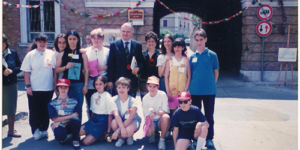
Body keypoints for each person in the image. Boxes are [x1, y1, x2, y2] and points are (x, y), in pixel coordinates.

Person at [20, 33, 54, 140]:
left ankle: (44, 129)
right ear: (36, 42)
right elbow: (26, 72)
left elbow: (54, 70)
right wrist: (28, 86)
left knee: (45, 110)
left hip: (48, 88)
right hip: (34, 88)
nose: (42, 44)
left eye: (44, 41)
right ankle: (35, 130)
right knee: (35, 110)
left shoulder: (51, 54)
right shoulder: (30, 55)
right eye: (40, 41)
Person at [189, 29, 219, 148]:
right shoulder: (192, 57)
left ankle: (209, 138)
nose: (199, 42)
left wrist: (212, 83)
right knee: (195, 116)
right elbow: (190, 73)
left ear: (205, 39)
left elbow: (216, 72)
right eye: (197, 40)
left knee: (209, 116)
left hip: (209, 91)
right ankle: (195, 138)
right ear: (195, 41)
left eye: (201, 39)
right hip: (195, 90)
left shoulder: (212, 55)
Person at [55, 30, 89, 121]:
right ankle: (67, 131)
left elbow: (86, 70)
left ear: (78, 40)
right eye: (70, 39)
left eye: (74, 39)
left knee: (78, 108)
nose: (72, 41)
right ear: (67, 40)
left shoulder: (82, 54)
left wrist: (85, 85)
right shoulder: (62, 53)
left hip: (79, 84)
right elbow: (56, 69)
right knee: (66, 107)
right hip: (66, 85)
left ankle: (76, 131)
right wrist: (65, 67)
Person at [107, 22, 143, 98]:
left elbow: (141, 62)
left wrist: (138, 69)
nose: (125, 33)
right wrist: (110, 80)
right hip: (118, 81)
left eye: (128, 31)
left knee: (130, 104)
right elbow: (111, 64)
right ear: (120, 31)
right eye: (123, 31)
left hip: (132, 82)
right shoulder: (114, 45)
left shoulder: (137, 45)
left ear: (132, 32)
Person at [79, 76, 117, 145]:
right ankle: (93, 133)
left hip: (103, 121)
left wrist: (108, 131)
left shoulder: (108, 96)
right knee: (79, 132)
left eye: (100, 84)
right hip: (94, 119)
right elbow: (92, 112)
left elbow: (110, 115)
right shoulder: (93, 95)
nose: (98, 86)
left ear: (105, 84)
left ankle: (102, 133)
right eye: (96, 84)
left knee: (85, 142)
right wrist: (90, 122)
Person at [48, 79, 81, 149]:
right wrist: (71, 116)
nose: (63, 89)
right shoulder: (52, 103)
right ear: (58, 89)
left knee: (76, 120)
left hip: (70, 124)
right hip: (60, 126)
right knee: (60, 135)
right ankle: (65, 137)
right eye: (61, 87)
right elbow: (54, 118)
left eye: (65, 87)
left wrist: (59, 121)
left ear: (68, 88)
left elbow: (76, 116)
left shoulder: (75, 101)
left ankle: (75, 138)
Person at [84, 28, 110, 118]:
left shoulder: (107, 51)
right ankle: (91, 122)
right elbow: (82, 66)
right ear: (91, 39)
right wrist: (86, 68)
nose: (96, 40)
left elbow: (112, 65)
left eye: (98, 38)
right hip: (91, 81)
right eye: (94, 38)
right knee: (91, 103)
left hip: (103, 79)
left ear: (102, 39)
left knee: (103, 103)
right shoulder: (85, 51)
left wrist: (105, 67)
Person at [110, 77, 141, 147]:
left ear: (128, 89)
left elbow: (130, 118)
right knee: (114, 123)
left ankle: (129, 135)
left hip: (132, 121)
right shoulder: (113, 100)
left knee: (128, 131)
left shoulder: (133, 101)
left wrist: (118, 131)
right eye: (119, 87)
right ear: (116, 89)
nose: (121, 89)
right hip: (120, 121)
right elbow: (116, 115)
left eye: (123, 87)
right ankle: (121, 139)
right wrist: (122, 127)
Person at [165, 38, 191, 117]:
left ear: (183, 48)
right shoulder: (170, 61)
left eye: (179, 46)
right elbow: (166, 77)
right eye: (175, 47)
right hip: (172, 91)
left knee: (183, 112)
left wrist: (186, 90)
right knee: (173, 113)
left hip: (183, 92)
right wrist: (168, 91)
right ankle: (174, 129)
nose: (177, 49)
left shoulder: (186, 61)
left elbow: (189, 77)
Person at [2, 34, 22, 137]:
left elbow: (20, 67)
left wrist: (12, 71)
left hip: (11, 84)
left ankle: (11, 130)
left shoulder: (12, 53)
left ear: (6, 43)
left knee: (11, 107)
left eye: (2, 42)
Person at [142, 76, 170, 150]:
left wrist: (154, 112)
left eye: (154, 86)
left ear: (158, 86)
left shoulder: (163, 94)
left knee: (166, 117)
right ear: (147, 86)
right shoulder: (145, 98)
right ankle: (153, 133)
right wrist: (149, 119)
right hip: (152, 121)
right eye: (150, 86)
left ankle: (162, 139)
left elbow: (165, 111)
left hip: (161, 120)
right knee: (148, 132)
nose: (152, 89)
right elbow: (146, 115)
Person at [139, 31, 160, 99]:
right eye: (149, 41)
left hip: (156, 82)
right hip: (144, 82)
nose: (150, 43)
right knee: (145, 101)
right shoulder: (142, 54)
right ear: (146, 42)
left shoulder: (160, 54)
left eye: (152, 41)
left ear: (155, 42)